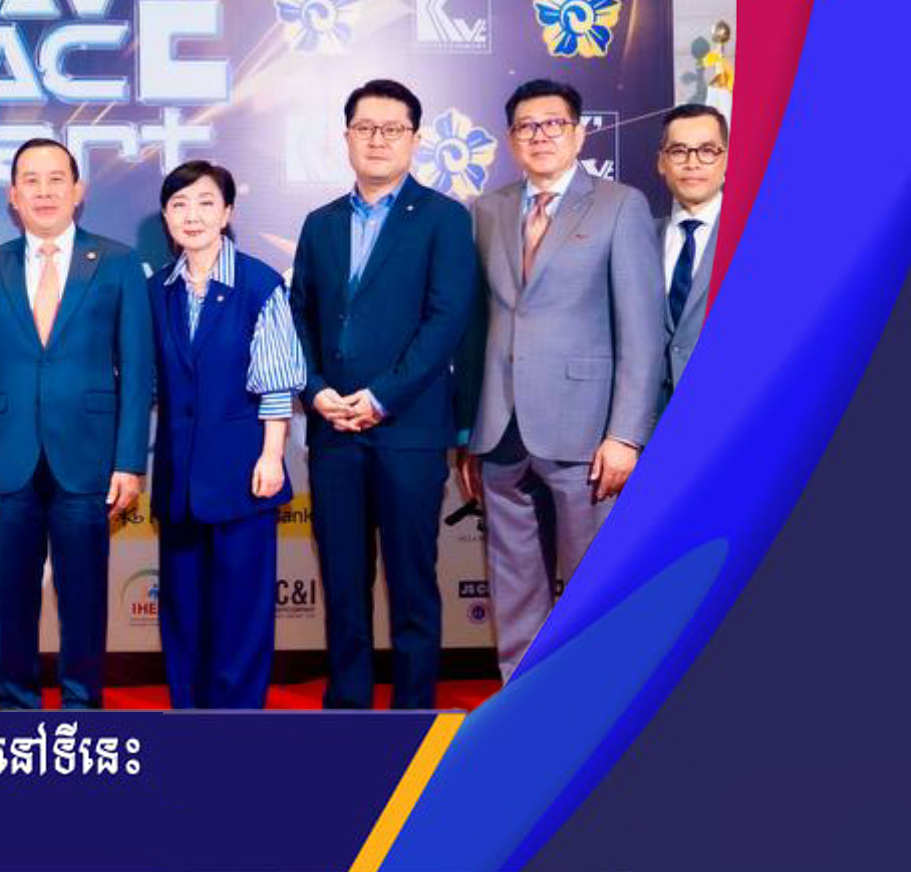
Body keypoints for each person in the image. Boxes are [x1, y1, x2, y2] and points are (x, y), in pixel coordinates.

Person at [457, 78, 666, 681]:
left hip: (587, 433)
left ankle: (596, 701)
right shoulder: (488, 210)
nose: (540, 136)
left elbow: (642, 330)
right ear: (510, 139)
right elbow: (476, 326)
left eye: (554, 124)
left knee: (592, 584)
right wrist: (469, 430)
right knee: (514, 584)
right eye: (527, 126)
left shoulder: (620, 205)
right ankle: (523, 698)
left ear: (579, 133)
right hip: (500, 429)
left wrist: (625, 434)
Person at [290, 78, 479, 710]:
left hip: (408, 430)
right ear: (345, 137)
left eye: (392, 129)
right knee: (343, 583)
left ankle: (412, 714)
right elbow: (299, 318)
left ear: (414, 139)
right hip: (333, 431)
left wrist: (380, 397)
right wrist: (317, 391)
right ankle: (348, 709)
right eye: (365, 128)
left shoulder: (444, 218)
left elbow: (445, 321)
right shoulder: (320, 223)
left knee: (411, 582)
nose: (377, 140)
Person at [0, 138, 154, 710]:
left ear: (78, 190)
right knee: (11, 598)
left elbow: (138, 369)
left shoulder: (116, 263)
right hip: (5, 457)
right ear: (12, 195)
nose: (44, 191)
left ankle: (82, 708)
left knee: (83, 596)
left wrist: (129, 461)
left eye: (56, 179)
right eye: (30, 181)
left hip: (88, 458)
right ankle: (15, 707)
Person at [150, 160, 306, 709]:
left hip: (244, 472)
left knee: (241, 609)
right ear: (166, 216)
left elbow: (277, 381)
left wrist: (271, 456)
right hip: (178, 476)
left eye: (205, 203)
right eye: (179, 204)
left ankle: (237, 724)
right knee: (182, 608)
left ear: (227, 212)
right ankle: (189, 717)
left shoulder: (259, 284)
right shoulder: (156, 290)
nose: (192, 215)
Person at [657, 104, 727, 404]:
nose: (692, 163)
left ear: (727, 159)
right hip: (650, 418)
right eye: (678, 151)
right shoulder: (638, 236)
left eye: (707, 151)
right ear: (661, 162)